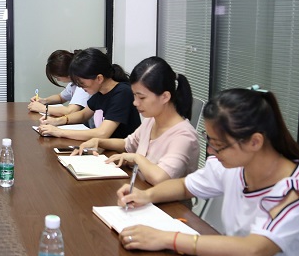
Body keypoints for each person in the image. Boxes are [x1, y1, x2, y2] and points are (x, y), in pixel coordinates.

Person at [117, 88, 299, 256]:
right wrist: (146, 195)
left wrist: (166, 239)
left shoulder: (294, 192)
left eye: (219, 145)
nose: (211, 151)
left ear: (255, 142)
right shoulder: (236, 165)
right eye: (209, 141)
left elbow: (253, 251)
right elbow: (184, 186)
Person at [76, 56, 199, 185]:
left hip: (162, 197)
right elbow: (128, 144)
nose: (135, 102)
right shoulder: (151, 120)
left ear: (165, 97)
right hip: (140, 189)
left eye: (142, 97)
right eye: (134, 95)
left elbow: (160, 178)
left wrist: (136, 158)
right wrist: (99, 141)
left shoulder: (184, 136)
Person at [39, 48, 140, 141]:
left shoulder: (122, 93)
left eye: (81, 83)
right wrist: (57, 121)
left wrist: (59, 132)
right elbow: (83, 115)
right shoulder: (100, 92)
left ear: (99, 78)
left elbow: (102, 133)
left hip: (122, 152)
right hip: (104, 149)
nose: (80, 86)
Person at [27, 49, 90, 119]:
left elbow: (71, 111)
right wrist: (44, 100)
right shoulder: (73, 83)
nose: (57, 80)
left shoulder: (83, 84)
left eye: (57, 77)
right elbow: (61, 97)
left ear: (68, 75)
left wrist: (42, 108)